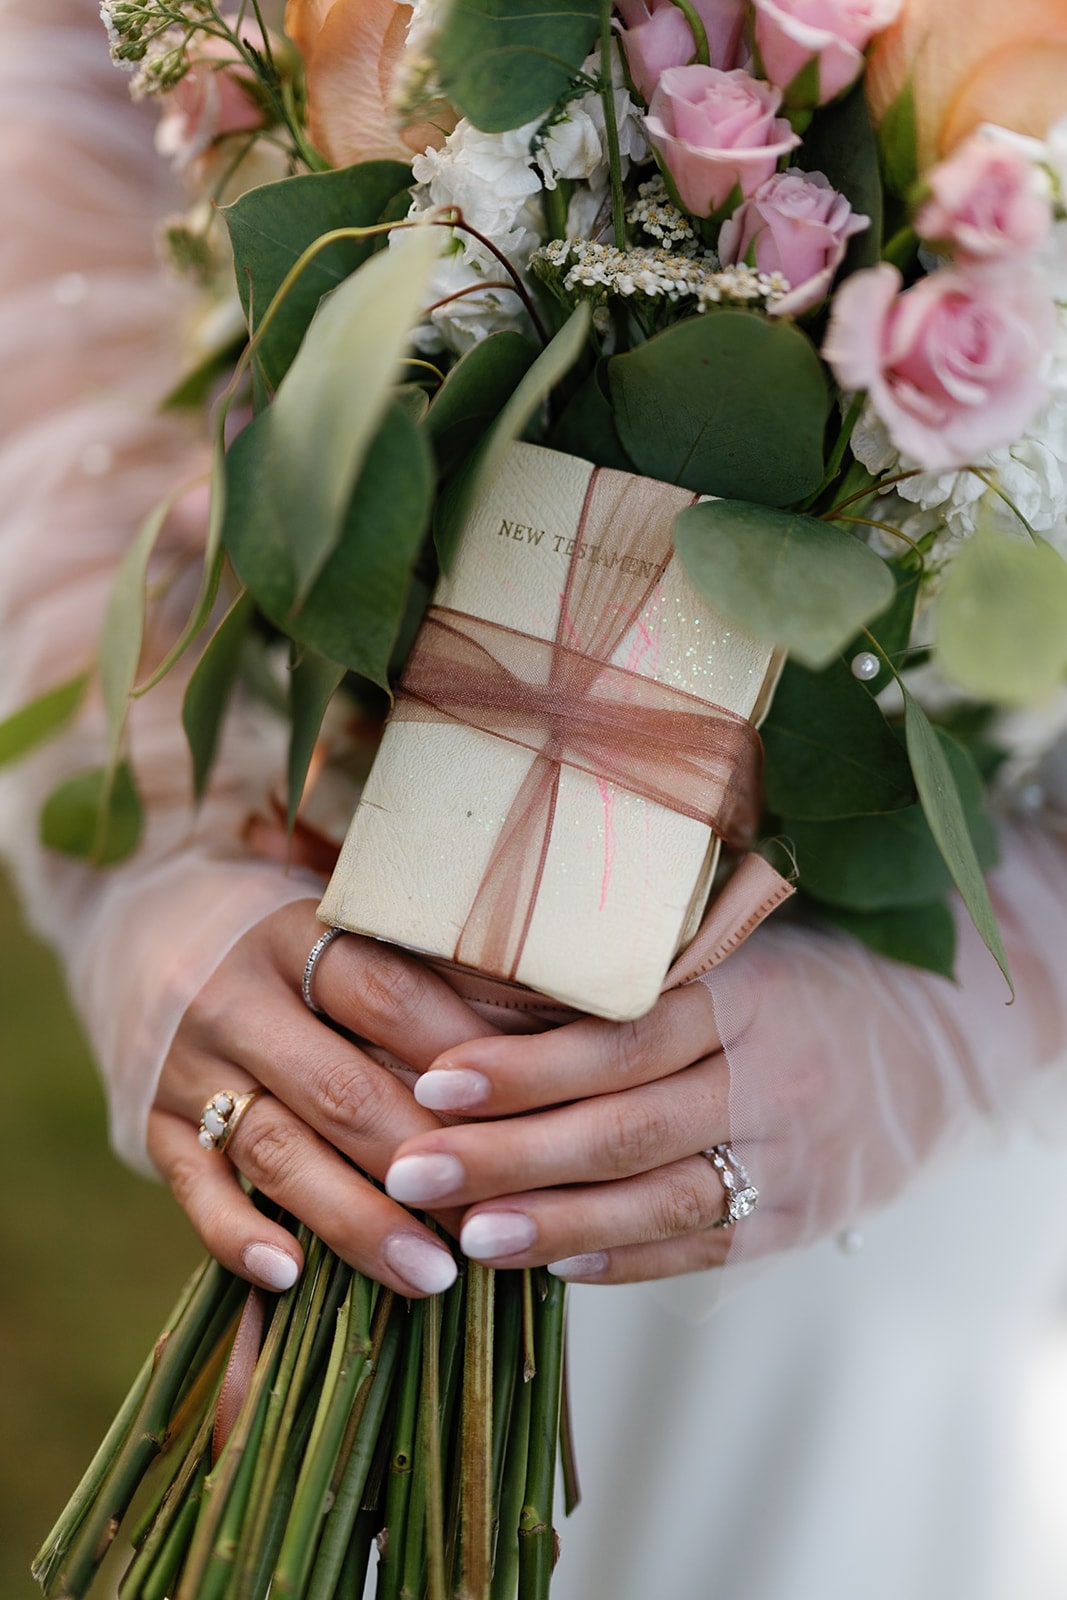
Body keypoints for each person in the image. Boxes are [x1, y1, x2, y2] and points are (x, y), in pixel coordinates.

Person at [3, 4, 1067, 1597]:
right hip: (367, 945)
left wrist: (956, 1017)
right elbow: (72, 143)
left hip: (893, 1201)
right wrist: (168, 853)